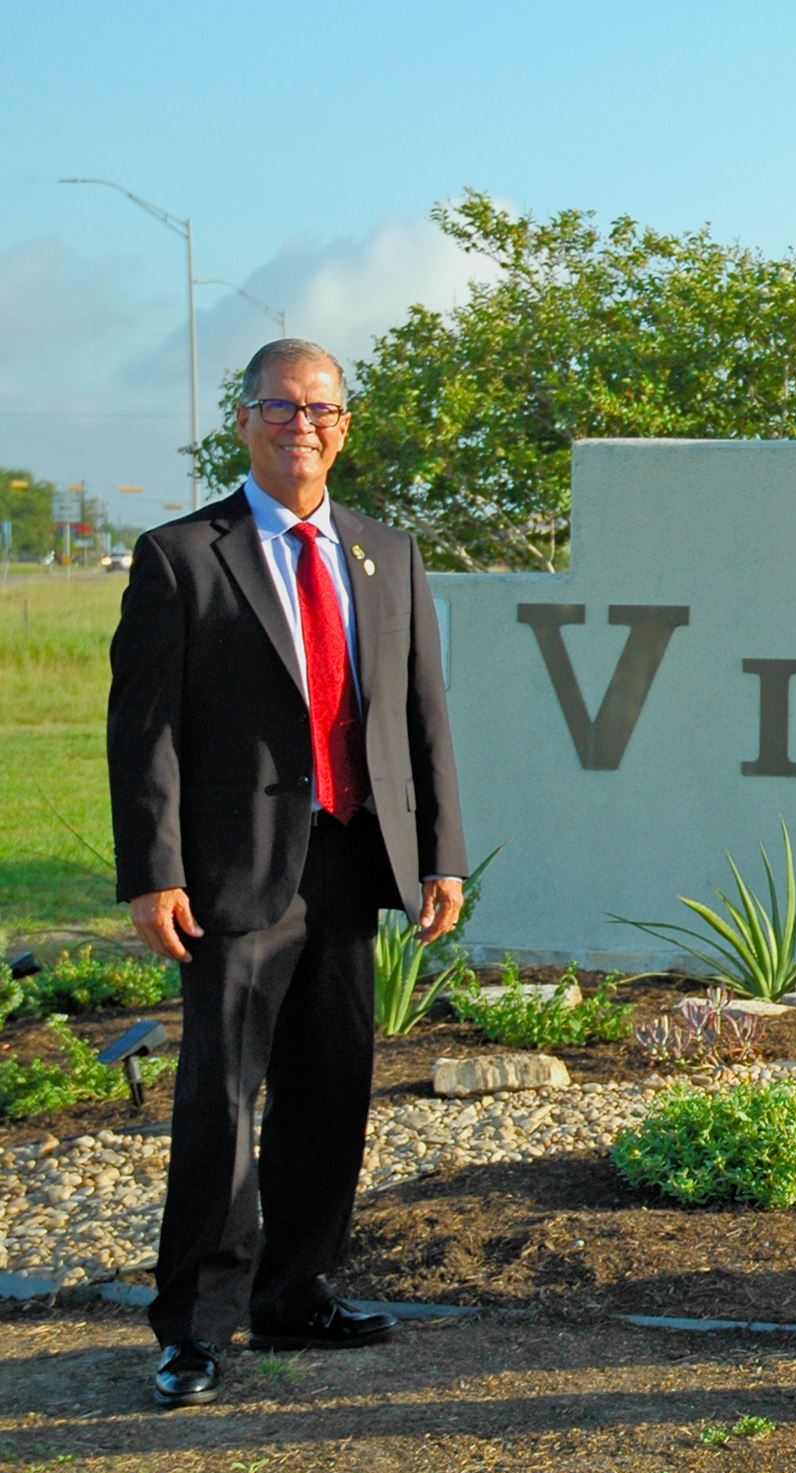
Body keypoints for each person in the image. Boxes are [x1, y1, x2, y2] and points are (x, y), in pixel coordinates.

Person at [108, 339, 467, 1407]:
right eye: (279, 406)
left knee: (330, 1093)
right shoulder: (181, 555)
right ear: (247, 420)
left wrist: (440, 851)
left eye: (319, 409)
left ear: (344, 427)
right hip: (230, 875)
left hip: (352, 860)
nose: (299, 424)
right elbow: (146, 732)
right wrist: (152, 871)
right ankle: (194, 1330)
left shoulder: (386, 554)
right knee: (220, 1104)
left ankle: (297, 1295)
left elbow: (422, 716)